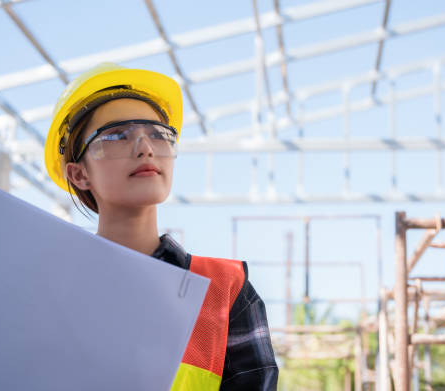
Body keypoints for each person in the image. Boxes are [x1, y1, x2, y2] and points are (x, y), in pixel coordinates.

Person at [44, 63, 278, 390]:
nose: (145, 147)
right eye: (115, 135)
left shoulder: (227, 291)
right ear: (79, 174)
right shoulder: (48, 289)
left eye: (159, 134)